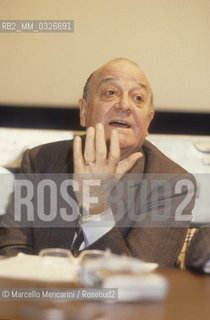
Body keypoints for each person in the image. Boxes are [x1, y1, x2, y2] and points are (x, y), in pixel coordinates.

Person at [0, 58, 196, 266]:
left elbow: (139, 279)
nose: (124, 105)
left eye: (138, 97)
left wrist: (95, 209)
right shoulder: (41, 161)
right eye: (110, 93)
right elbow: (12, 254)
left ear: (148, 122)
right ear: (84, 111)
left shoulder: (172, 182)